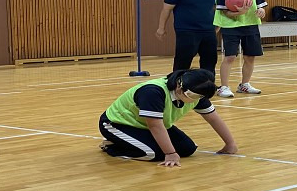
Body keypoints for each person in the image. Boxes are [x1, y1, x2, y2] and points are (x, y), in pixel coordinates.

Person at [98, 68, 238, 167]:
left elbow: (213, 118)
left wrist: (230, 144)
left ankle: (132, 142)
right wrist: (170, 153)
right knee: (152, 154)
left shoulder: (197, 94)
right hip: (117, 124)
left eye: (197, 97)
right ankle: (112, 146)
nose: (191, 99)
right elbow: (155, 125)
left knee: (187, 149)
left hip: (147, 125)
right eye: (189, 94)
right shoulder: (153, 92)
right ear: (179, 84)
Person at [213, 0, 268, 98]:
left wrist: (261, 11)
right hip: (230, 27)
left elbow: (262, 8)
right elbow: (225, 13)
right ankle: (224, 87)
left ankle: (245, 84)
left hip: (251, 26)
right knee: (230, 57)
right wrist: (239, 13)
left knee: (250, 57)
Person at [156, 0, 218, 77]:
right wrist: (161, 28)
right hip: (187, 31)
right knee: (183, 60)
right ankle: (176, 84)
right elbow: (166, 10)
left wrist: (217, 27)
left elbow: (216, 11)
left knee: (210, 60)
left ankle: (207, 84)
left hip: (208, 31)